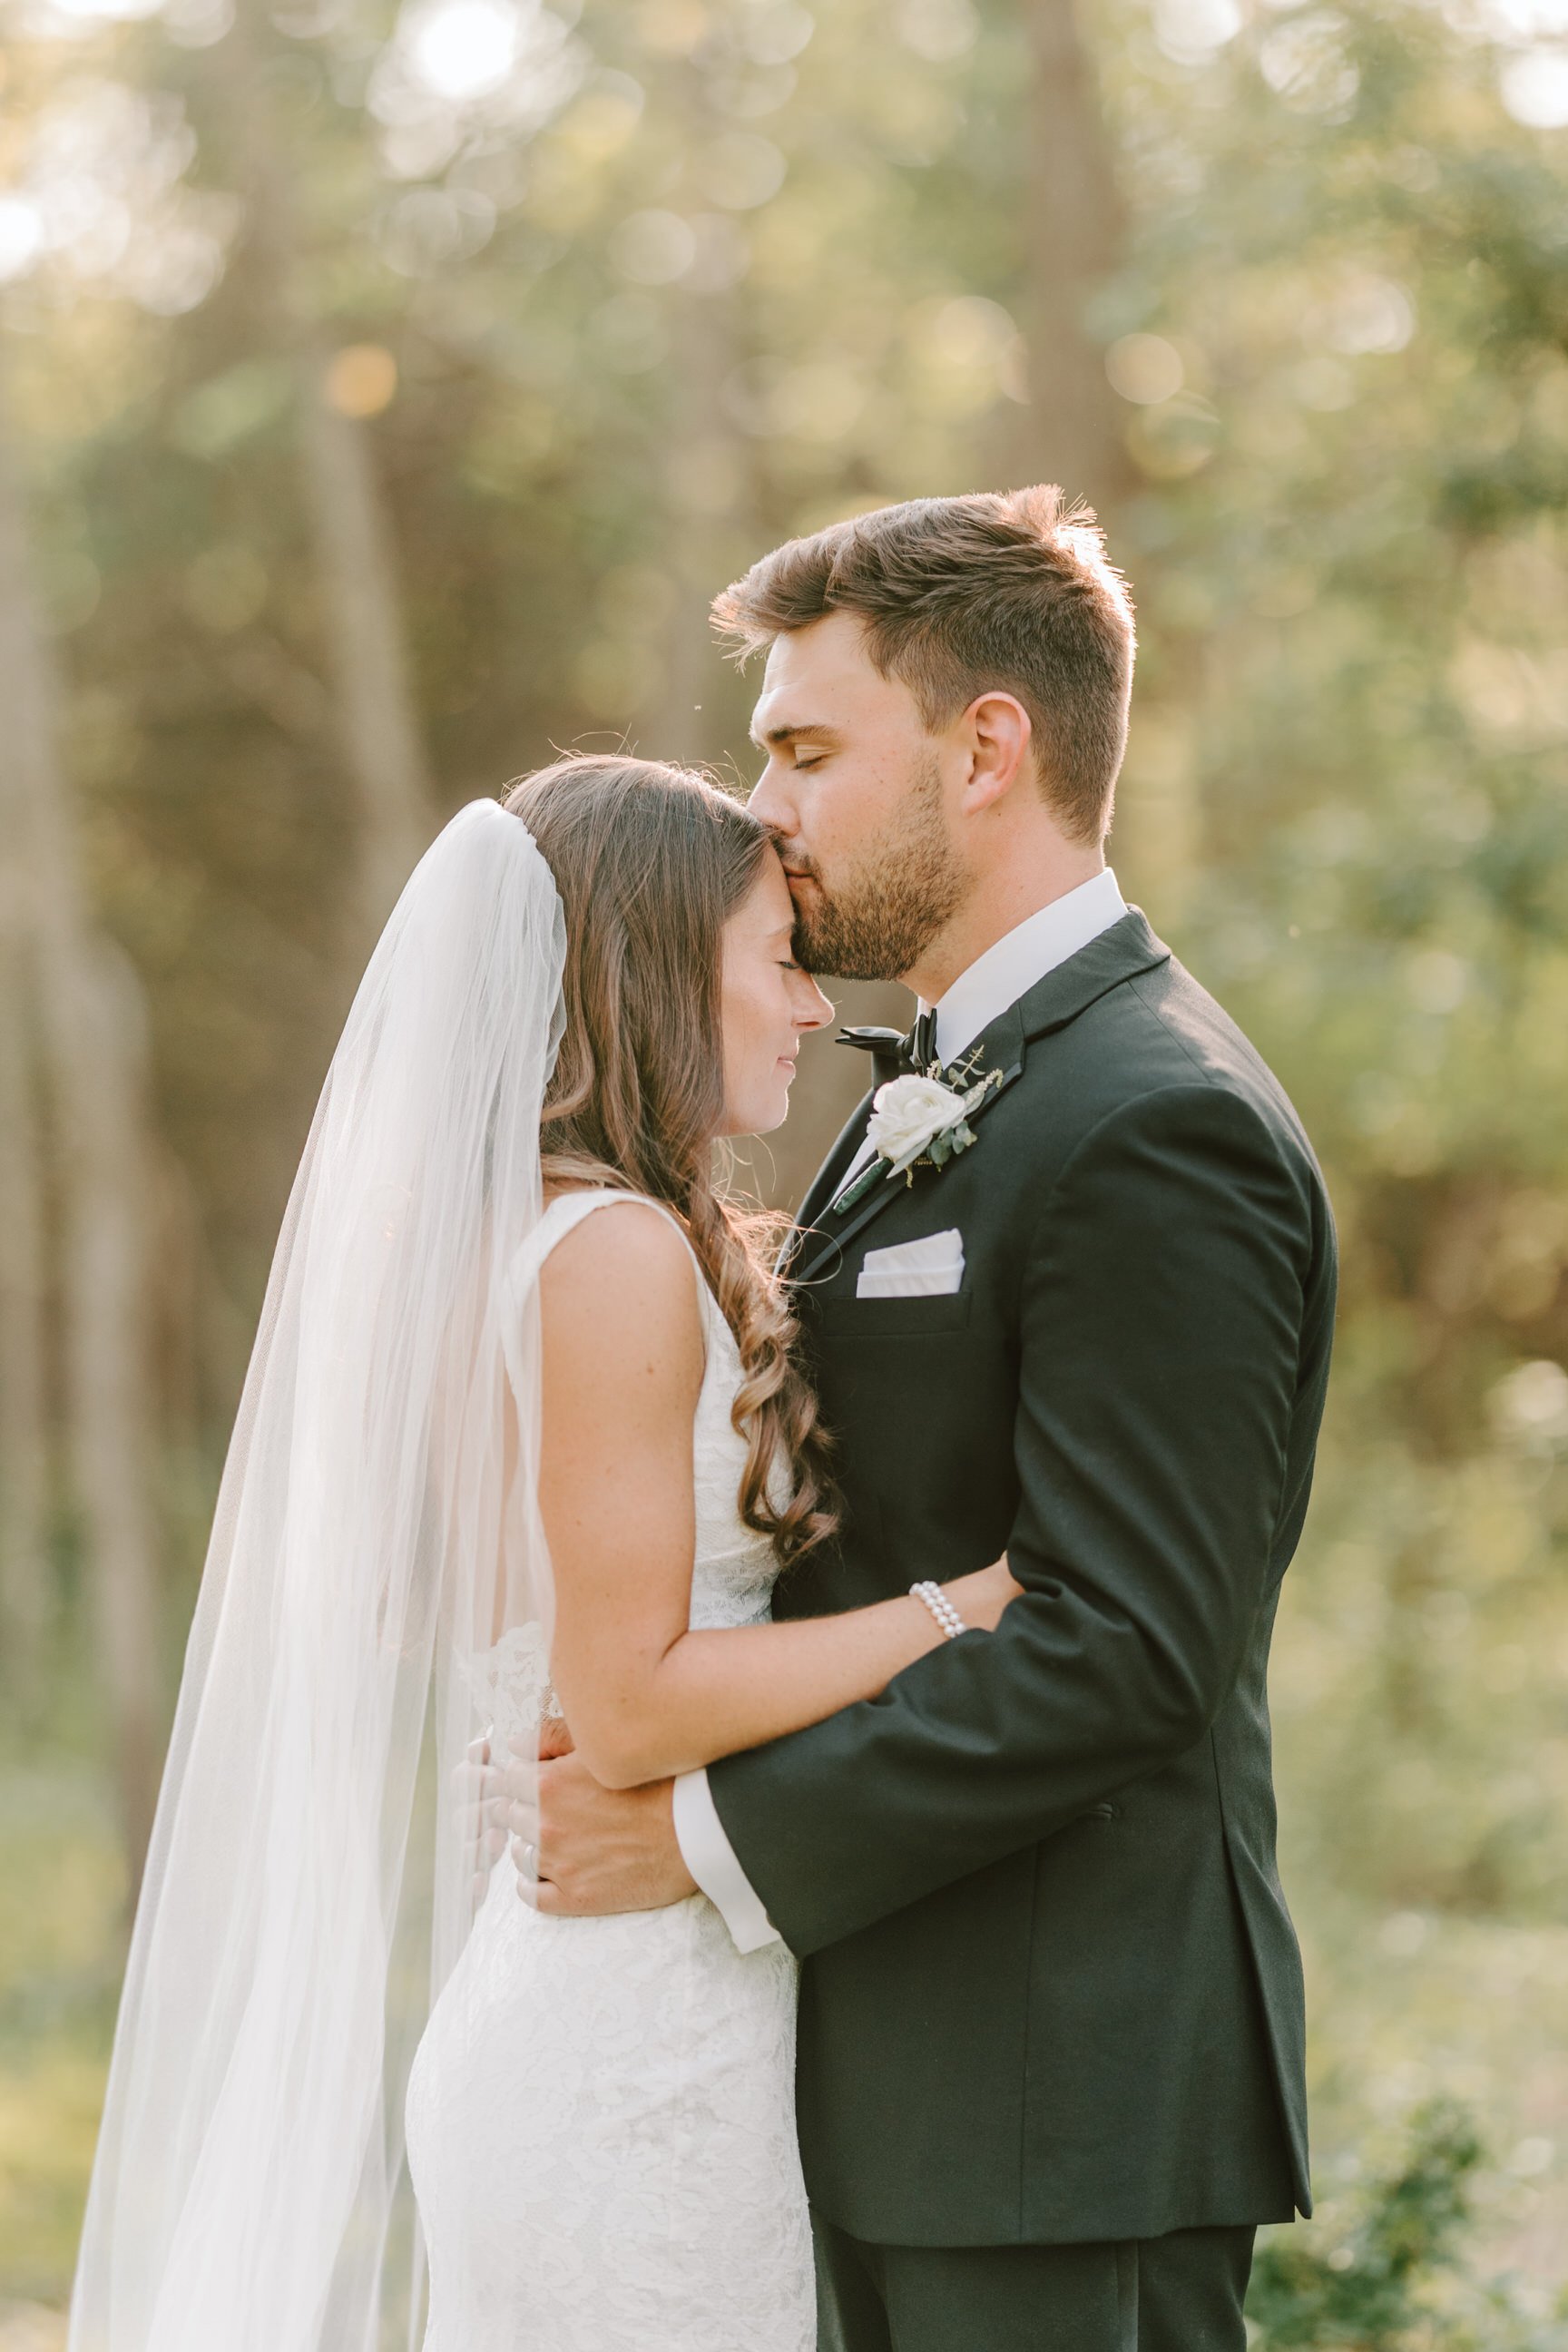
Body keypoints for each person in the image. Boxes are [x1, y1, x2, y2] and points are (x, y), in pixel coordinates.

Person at [492, 487, 1339, 2352]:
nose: (767, 808)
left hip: (1052, 2107)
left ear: (986, 748)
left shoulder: (1154, 1120)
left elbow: (1127, 1649)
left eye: (805, 748)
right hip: (840, 2079)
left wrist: (705, 1844)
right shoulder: (923, 1090)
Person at [66, 754, 1019, 2352]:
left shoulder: (540, 1233)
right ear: (650, 971)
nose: (807, 1004)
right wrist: (955, 1613)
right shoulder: (610, 1257)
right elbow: (629, 1706)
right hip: (624, 2052)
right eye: (775, 958)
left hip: (627, 1995)